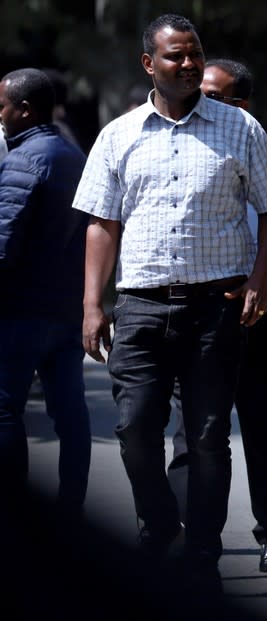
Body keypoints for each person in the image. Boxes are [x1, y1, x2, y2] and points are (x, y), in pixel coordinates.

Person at [72, 13, 267, 593]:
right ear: (150, 64)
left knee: (206, 436)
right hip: (140, 307)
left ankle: (202, 556)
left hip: (215, 308)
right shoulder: (118, 134)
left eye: (195, 54)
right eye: (176, 56)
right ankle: (163, 521)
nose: (190, 64)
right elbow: (101, 223)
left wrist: (261, 280)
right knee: (133, 428)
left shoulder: (239, 129)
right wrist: (93, 304)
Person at [167, 57, 267, 574]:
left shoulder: (265, 153)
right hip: (192, 311)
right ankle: (190, 532)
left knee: (259, 427)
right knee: (190, 430)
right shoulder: (174, 147)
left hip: (256, 312)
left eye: (214, 94)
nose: (199, 101)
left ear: (240, 105)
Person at [0, 68, 90, 520]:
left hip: (20, 312)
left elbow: (4, 240)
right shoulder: (74, 155)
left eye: (3, 106)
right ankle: (71, 508)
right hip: (65, 309)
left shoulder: (23, 160)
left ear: (24, 108)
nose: (0, 115)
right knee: (70, 415)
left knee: (5, 409)